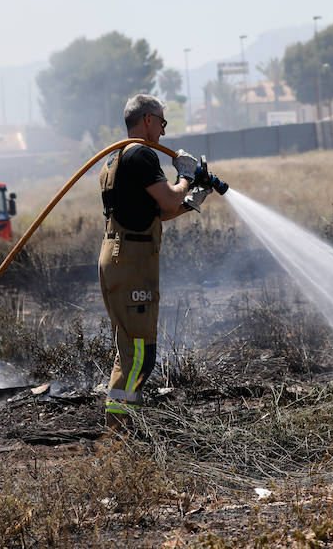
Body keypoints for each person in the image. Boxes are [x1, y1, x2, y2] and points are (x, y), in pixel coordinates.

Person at [99, 94, 211, 427]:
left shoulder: (117, 157)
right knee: (140, 355)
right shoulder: (142, 154)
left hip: (120, 259)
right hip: (132, 264)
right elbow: (169, 198)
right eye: (162, 122)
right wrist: (186, 176)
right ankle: (118, 432)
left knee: (131, 351)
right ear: (147, 119)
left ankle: (121, 426)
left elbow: (154, 212)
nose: (163, 131)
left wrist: (193, 198)